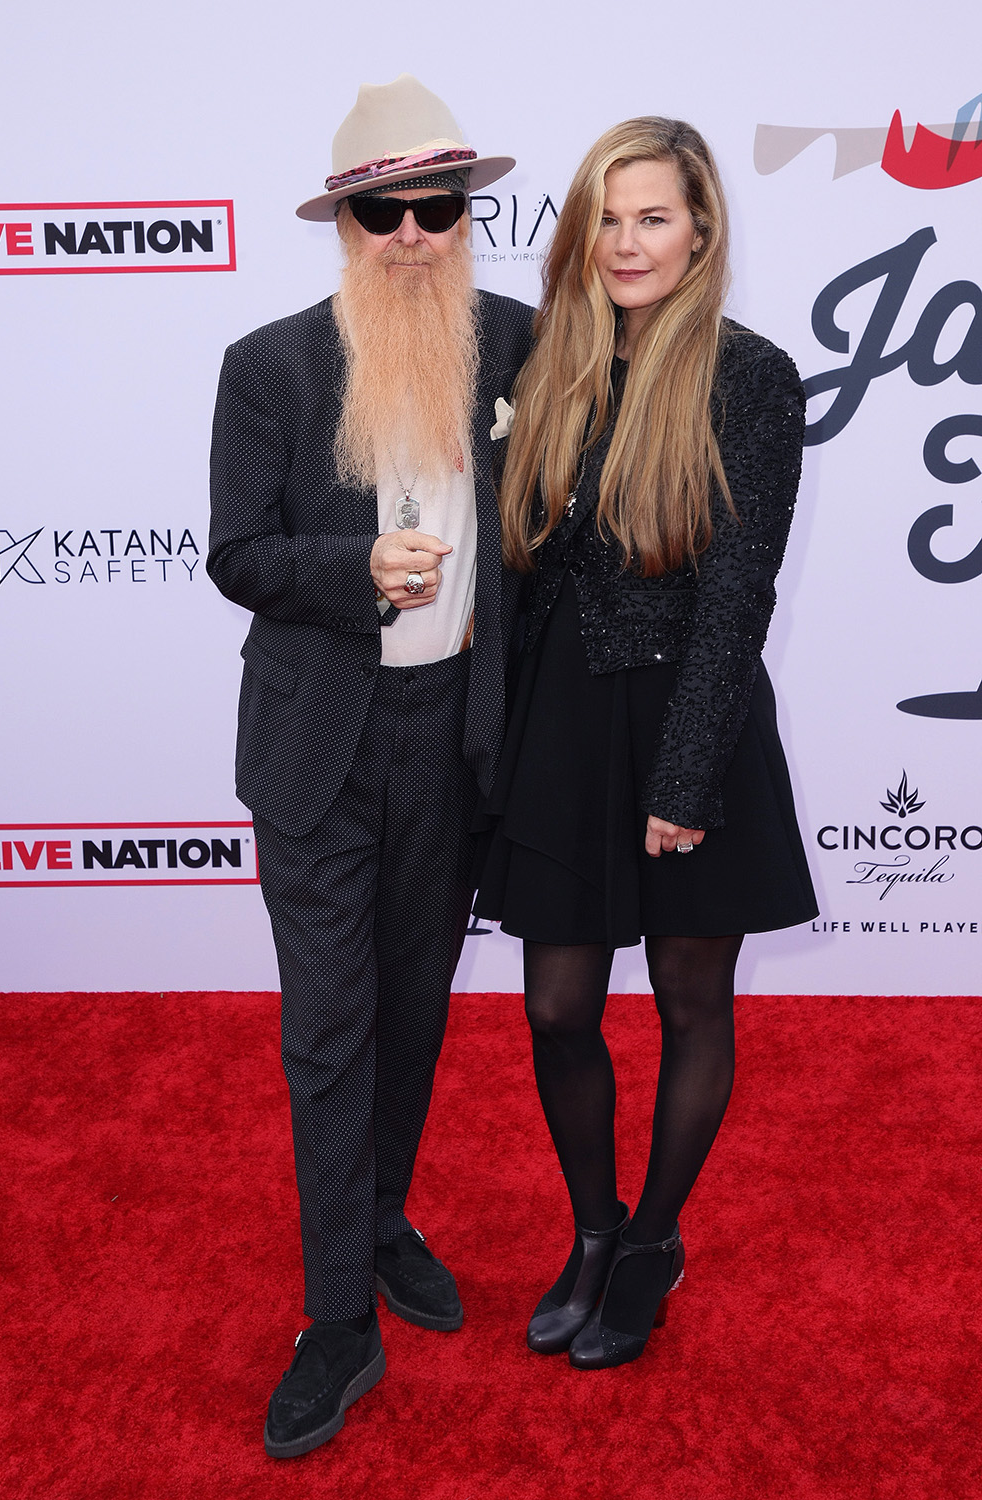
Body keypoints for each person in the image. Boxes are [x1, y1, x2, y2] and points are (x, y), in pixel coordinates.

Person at [208, 74, 532, 1454]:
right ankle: (338, 1321)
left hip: (457, 737)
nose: (412, 234)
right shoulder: (269, 365)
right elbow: (238, 555)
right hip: (320, 747)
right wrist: (354, 570)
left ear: (466, 217)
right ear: (344, 224)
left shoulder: (516, 345)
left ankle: (383, 1215)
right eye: (384, 211)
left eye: (437, 208)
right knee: (329, 1026)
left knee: (413, 1010)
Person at [473, 117, 818, 1370]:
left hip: (687, 714)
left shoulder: (750, 375)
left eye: (653, 217)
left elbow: (737, 593)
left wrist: (685, 776)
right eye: (607, 219)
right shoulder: (548, 362)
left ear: (700, 230)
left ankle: (653, 1242)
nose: (626, 243)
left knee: (687, 997)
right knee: (558, 1007)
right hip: (562, 721)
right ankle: (593, 1230)